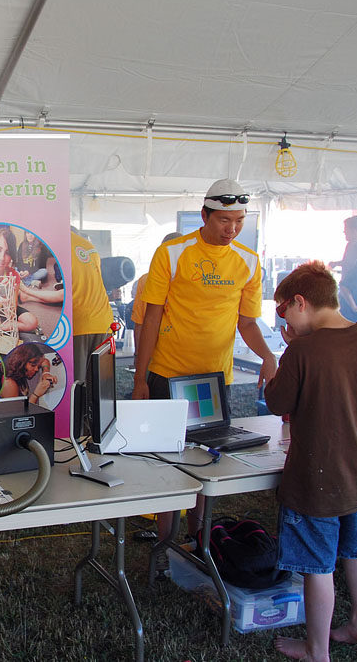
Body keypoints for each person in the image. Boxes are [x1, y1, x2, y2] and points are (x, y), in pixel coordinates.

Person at [132, 179, 277, 547]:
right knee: (168, 457)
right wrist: (141, 377)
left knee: (208, 456)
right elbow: (150, 318)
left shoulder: (248, 261)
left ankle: (198, 537)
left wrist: (268, 355)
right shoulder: (173, 254)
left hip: (214, 378)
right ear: (204, 216)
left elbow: (247, 322)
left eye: (239, 221)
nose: (232, 229)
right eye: (224, 220)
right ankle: (165, 538)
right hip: (168, 372)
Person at [263, 261, 357, 662]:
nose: (283, 321)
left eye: (283, 311)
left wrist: (285, 353)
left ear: (299, 302)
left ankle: (316, 650)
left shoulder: (302, 350)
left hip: (316, 481)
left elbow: (278, 403)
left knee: (317, 566)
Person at [70, 227, 116, 385]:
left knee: (78, 386)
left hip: (79, 323)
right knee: (100, 386)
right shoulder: (89, 247)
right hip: (104, 322)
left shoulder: (60, 243)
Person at [130, 231, 183, 349]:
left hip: (155, 351)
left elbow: (139, 323)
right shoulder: (193, 278)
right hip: (179, 349)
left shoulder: (145, 280)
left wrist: (138, 355)